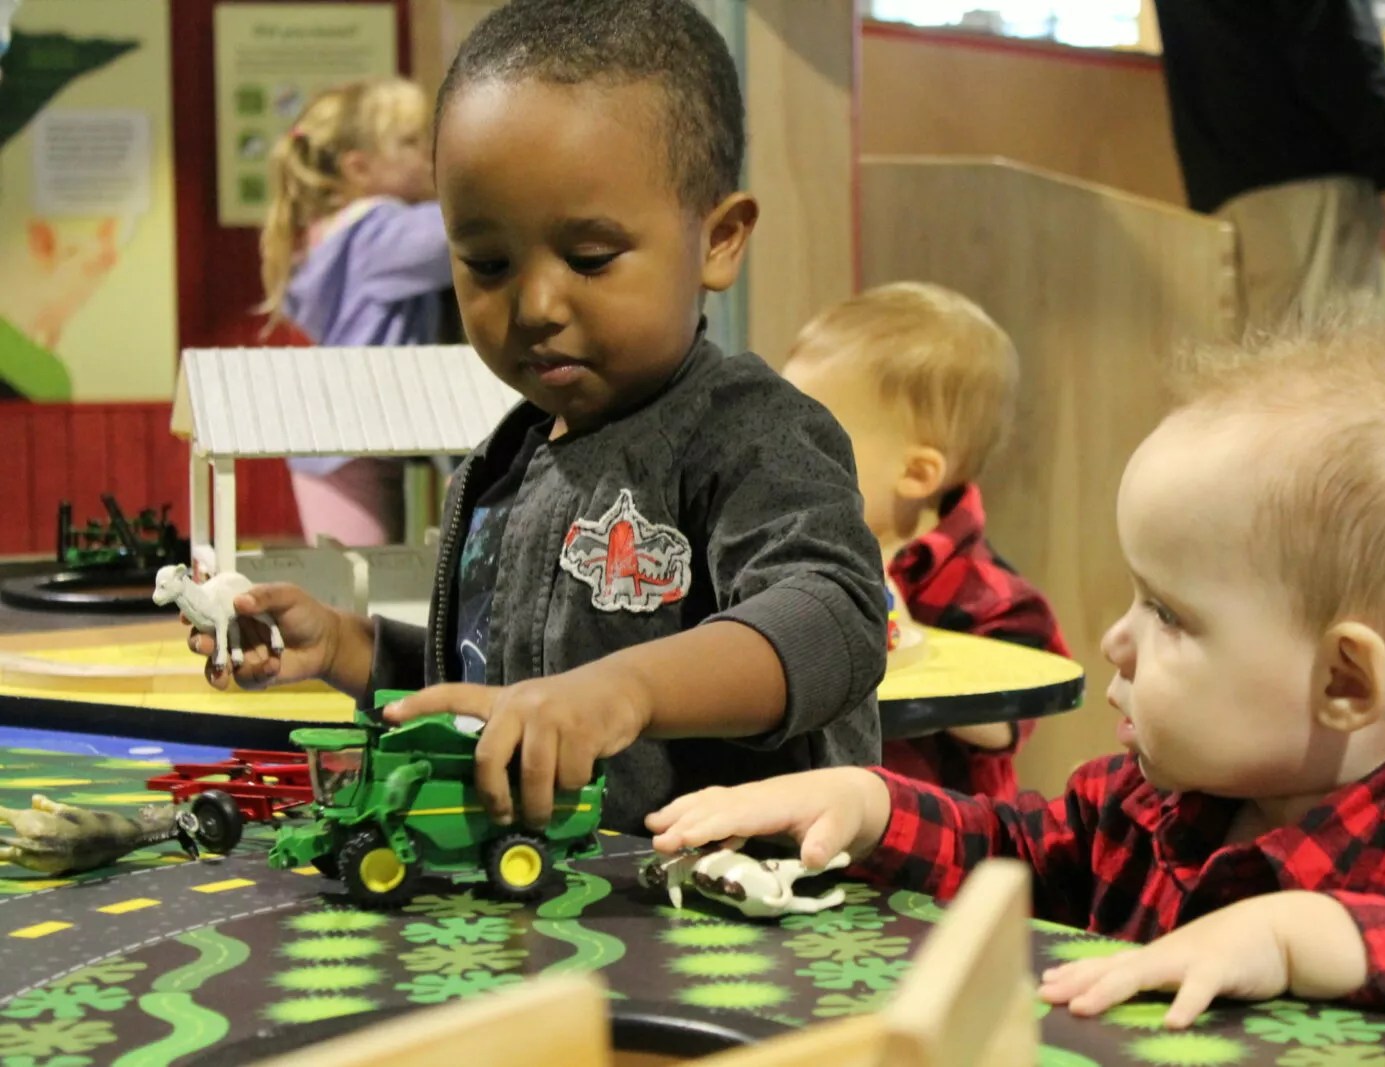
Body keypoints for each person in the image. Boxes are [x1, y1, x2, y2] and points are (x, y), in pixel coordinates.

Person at [649, 317, 1385, 1057]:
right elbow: (1022, 852)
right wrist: (866, 802)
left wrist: (1305, 935)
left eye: (1170, 614)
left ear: (1345, 679)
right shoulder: (1154, 801)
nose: (1116, 637)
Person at [195, 0, 886, 834]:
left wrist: (623, 693)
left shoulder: (751, 432)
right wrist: (346, 648)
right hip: (550, 915)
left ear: (719, 240)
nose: (535, 303)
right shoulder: (505, 462)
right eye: (487, 262)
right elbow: (500, 680)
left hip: (728, 913)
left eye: (590, 257)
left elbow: (834, 619)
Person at [782, 283, 1069, 801]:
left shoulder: (985, 592)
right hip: (805, 806)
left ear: (916, 473)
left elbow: (1012, 717)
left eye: (811, 442)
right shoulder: (790, 547)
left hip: (932, 832)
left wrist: (918, 647)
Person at [1150, 0, 1385, 334]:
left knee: (1268, 369)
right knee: (1334, 372)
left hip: (1230, 183)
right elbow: (1332, 27)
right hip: (1313, 180)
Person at [258, 77, 451, 548]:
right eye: (409, 142)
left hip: (342, 430)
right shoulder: (377, 234)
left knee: (361, 577)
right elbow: (459, 232)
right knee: (360, 582)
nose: (427, 151)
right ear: (359, 168)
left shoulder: (334, 236)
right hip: (348, 430)